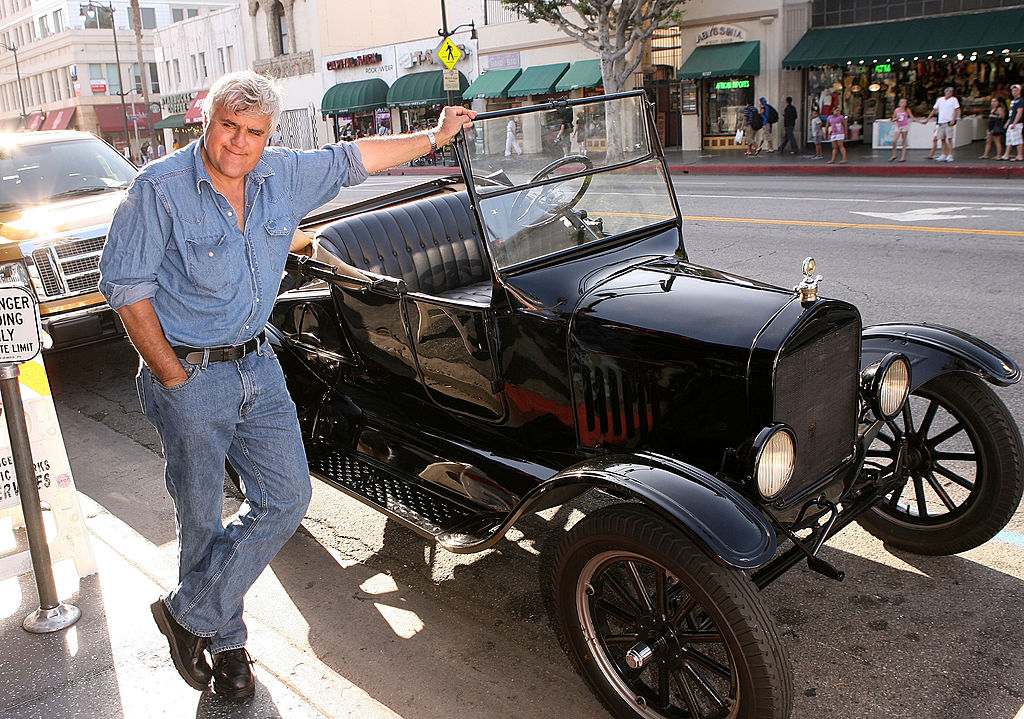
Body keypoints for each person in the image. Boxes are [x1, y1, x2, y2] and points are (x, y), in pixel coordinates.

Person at [97, 70, 475, 700]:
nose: (238, 143)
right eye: (227, 126)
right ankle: (229, 646)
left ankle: (188, 611)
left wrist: (433, 138)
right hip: (189, 374)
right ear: (206, 121)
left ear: (268, 135)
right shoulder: (158, 190)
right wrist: (172, 375)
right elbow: (127, 291)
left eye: (254, 132)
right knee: (199, 516)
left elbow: (356, 157)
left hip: (259, 367)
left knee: (287, 497)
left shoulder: (284, 175)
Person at [920, 87, 960, 162]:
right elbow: (934, 110)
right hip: (941, 122)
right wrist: (927, 119)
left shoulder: (954, 100)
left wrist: (953, 120)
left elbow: (956, 110)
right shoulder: (940, 100)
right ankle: (944, 153)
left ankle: (950, 154)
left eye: (951, 92)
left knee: (949, 138)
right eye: (948, 92)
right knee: (942, 139)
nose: (950, 93)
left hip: (948, 121)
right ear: (945, 92)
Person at [999, 84, 1023, 161]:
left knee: (1018, 139)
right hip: (1012, 122)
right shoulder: (1013, 101)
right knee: (1009, 139)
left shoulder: (1020, 101)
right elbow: (1011, 114)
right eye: (1013, 91)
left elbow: (1019, 113)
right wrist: (1008, 122)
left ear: (1019, 91)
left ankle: (1020, 155)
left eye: (1016, 90)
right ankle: (1006, 154)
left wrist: (1015, 123)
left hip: (1017, 123)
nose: (1014, 92)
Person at [888, 98, 917, 162]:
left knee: (904, 141)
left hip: (904, 126)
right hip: (898, 126)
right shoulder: (897, 110)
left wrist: (920, 121)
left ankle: (903, 157)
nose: (903, 104)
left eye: (904, 102)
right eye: (902, 102)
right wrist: (896, 118)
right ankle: (894, 154)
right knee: (894, 141)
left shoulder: (907, 110)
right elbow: (893, 119)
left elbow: (912, 117)